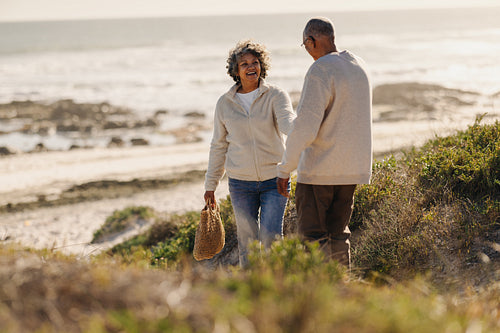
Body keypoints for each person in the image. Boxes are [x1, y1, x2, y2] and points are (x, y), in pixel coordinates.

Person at [277, 17, 372, 268]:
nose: (307, 50)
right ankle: (342, 288)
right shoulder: (358, 65)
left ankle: (318, 294)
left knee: (312, 238)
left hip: (319, 172)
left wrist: (285, 169)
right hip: (351, 169)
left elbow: (305, 127)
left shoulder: (321, 69)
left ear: (312, 40)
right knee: (339, 234)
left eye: (305, 45)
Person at [204, 40, 295, 267]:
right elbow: (218, 145)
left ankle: (276, 287)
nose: (250, 66)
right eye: (244, 63)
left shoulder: (276, 95)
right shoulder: (224, 104)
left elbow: (288, 125)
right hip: (240, 184)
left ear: (262, 66)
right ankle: (253, 290)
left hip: (275, 180)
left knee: (271, 239)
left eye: (255, 62)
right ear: (235, 70)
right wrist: (210, 184)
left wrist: (309, 129)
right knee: (248, 243)